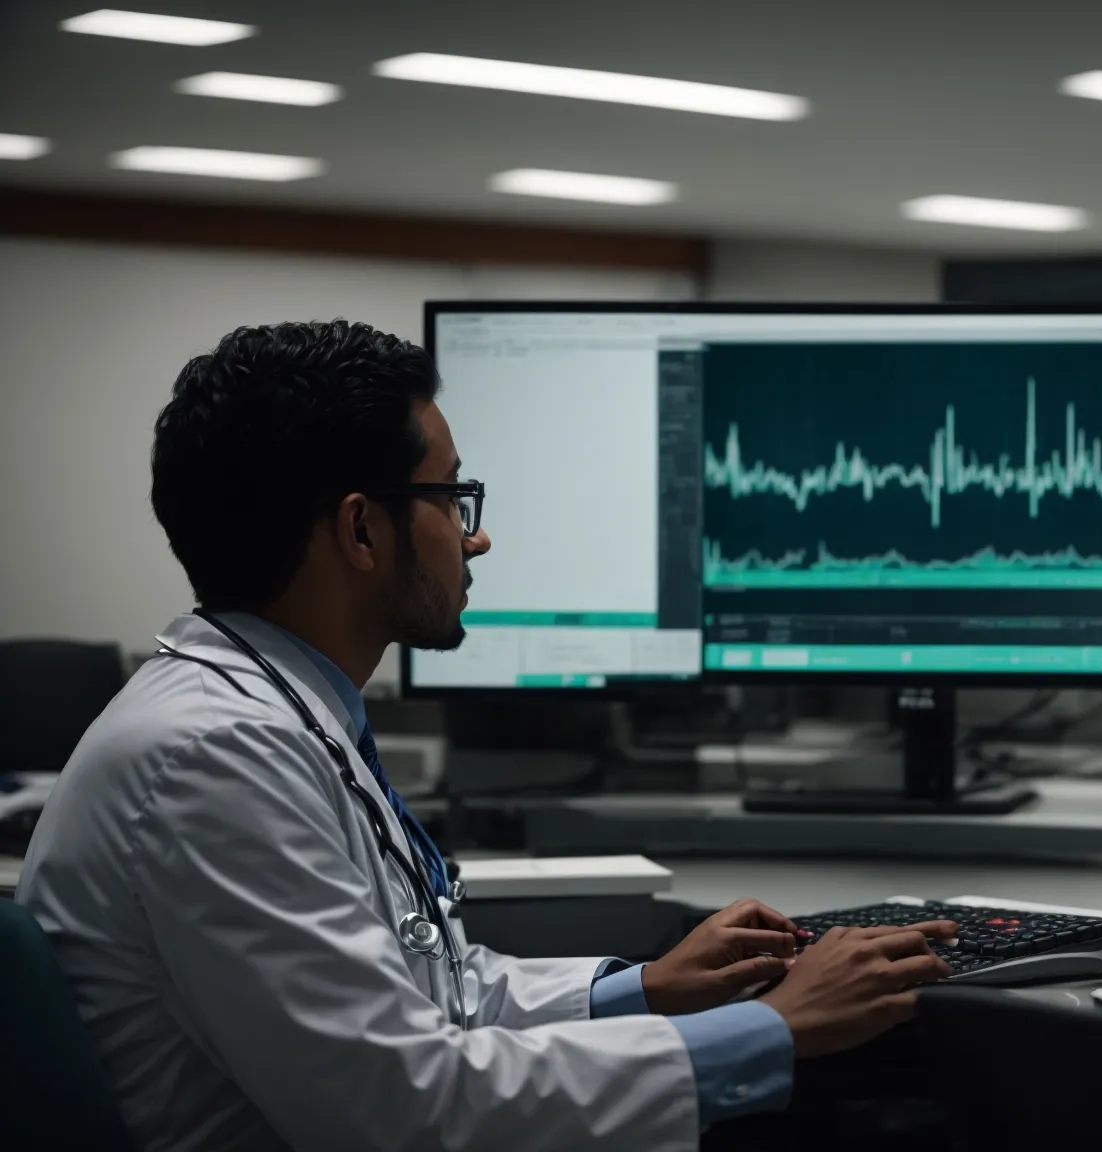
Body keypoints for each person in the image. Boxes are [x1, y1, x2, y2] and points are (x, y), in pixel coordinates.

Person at [16, 320, 956, 1152]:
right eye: (451, 499)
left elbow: (431, 998)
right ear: (361, 531)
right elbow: (413, 1110)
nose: (475, 539)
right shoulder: (214, 755)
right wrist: (775, 1031)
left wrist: (646, 988)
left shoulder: (269, 713)